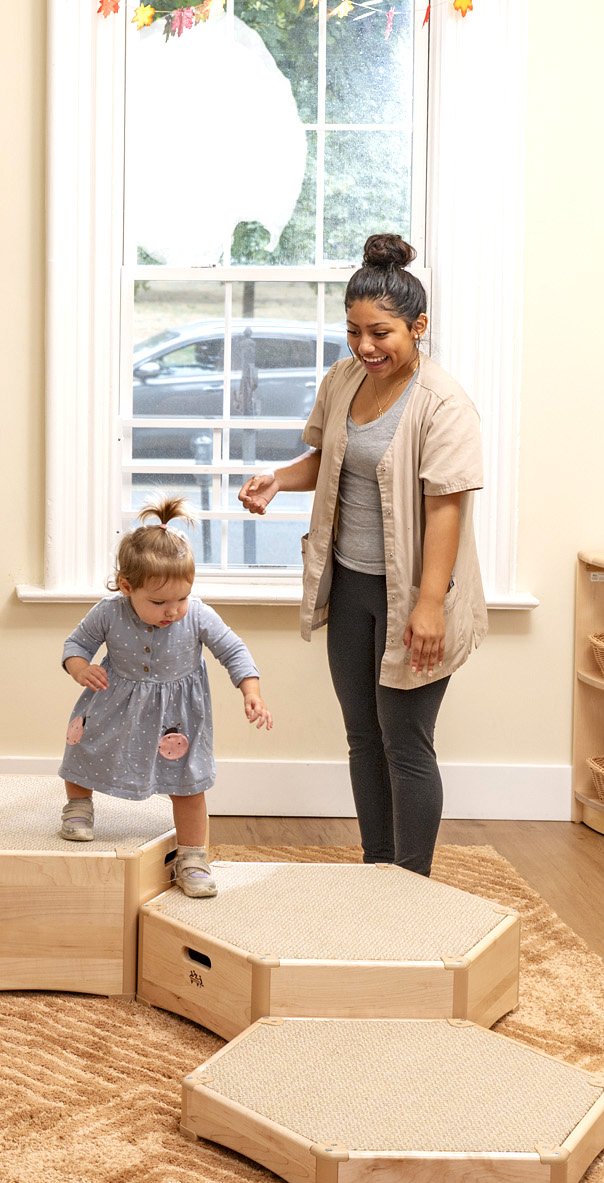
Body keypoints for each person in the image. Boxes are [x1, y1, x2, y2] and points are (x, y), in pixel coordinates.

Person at [237, 233, 486, 876]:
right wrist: (279, 479)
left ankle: (411, 883)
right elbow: (329, 459)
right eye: (353, 331)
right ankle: (378, 870)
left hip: (415, 595)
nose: (365, 347)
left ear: (418, 327)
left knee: (406, 742)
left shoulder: (443, 405)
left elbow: (446, 507)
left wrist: (429, 605)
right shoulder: (345, 378)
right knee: (362, 738)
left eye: (380, 333)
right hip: (349, 585)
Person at [57, 497, 273, 897]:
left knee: (188, 785)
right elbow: (76, 644)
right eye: (159, 602)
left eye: (182, 598)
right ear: (127, 587)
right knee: (85, 748)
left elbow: (233, 650)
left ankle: (192, 857)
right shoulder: (109, 612)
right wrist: (80, 668)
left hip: (177, 719)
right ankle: (79, 807)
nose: (173, 611)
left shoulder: (199, 615)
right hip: (113, 703)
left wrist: (251, 691)